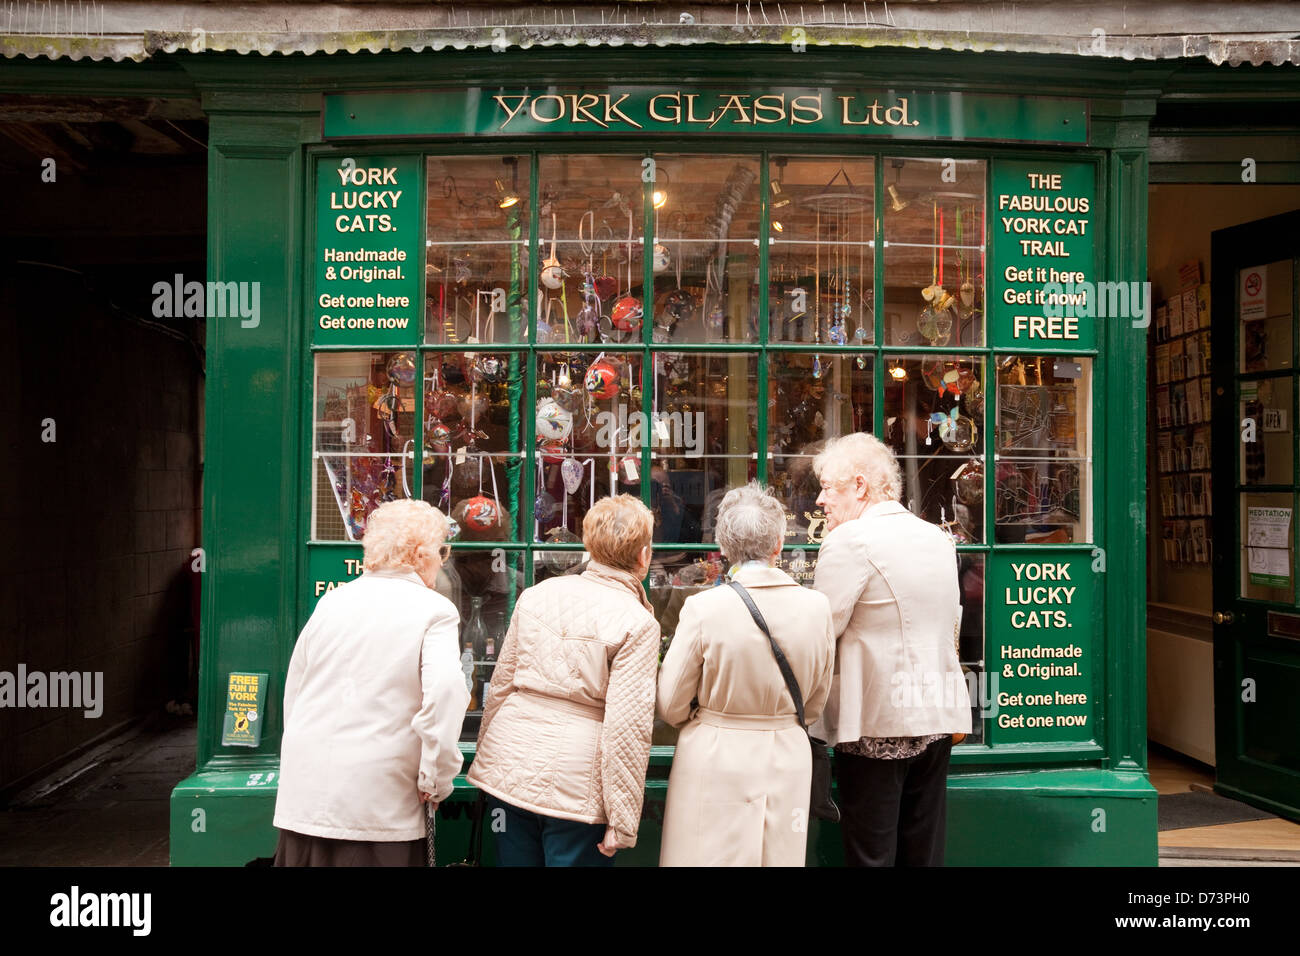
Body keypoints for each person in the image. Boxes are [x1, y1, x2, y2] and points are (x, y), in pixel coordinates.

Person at [273, 499, 468, 866]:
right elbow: (445, 695)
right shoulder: (434, 610)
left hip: (307, 793)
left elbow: (296, 692)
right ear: (420, 553)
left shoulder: (331, 602)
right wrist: (437, 778)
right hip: (378, 801)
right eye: (441, 550)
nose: (443, 560)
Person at [468, 494, 660, 866]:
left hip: (510, 768)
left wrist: (489, 760)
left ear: (589, 545)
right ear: (644, 556)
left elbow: (502, 686)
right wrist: (622, 820)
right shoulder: (638, 622)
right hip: (576, 791)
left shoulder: (538, 594)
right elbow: (628, 728)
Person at [810, 432, 972, 867]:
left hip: (876, 723)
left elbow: (820, 632)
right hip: (935, 717)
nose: (821, 500)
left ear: (860, 486)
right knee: (923, 850)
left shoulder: (850, 540)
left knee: (872, 855)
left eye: (828, 487)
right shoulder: (937, 538)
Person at [657, 481, 835, 866]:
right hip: (787, 751)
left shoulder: (703, 608)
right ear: (778, 546)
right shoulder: (817, 607)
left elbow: (670, 702)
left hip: (714, 752)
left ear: (723, 548)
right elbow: (816, 700)